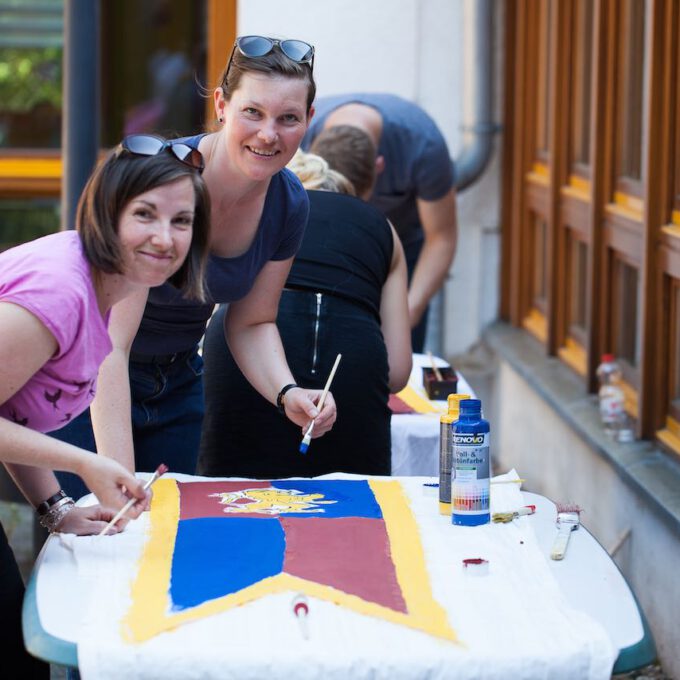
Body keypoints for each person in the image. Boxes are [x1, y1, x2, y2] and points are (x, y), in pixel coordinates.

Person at [53, 35, 336, 498]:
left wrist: (289, 393)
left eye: (288, 118)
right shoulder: (164, 180)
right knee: (99, 540)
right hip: (90, 379)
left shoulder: (289, 202)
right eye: (253, 112)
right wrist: (120, 482)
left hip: (178, 381)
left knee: (167, 540)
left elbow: (252, 322)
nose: (269, 134)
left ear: (308, 119)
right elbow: (110, 346)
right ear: (222, 105)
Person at [0, 135, 210, 676]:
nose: (165, 238)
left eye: (182, 220)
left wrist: (57, 510)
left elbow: (11, 410)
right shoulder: (61, 293)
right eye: (145, 214)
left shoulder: (109, 288)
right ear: (106, 213)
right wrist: (84, 461)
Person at [198, 142, 412, 478]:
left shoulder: (260, 206)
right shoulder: (380, 226)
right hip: (350, 346)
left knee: (227, 498)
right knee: (355, 506)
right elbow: (397, 372)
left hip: (241, 345)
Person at [303, 94, 458, 352]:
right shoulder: (300, 135)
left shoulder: (423, 146)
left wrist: (411, 309)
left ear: (380, 166)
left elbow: (441, 238)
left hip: (405, 250)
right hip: (331, 249)